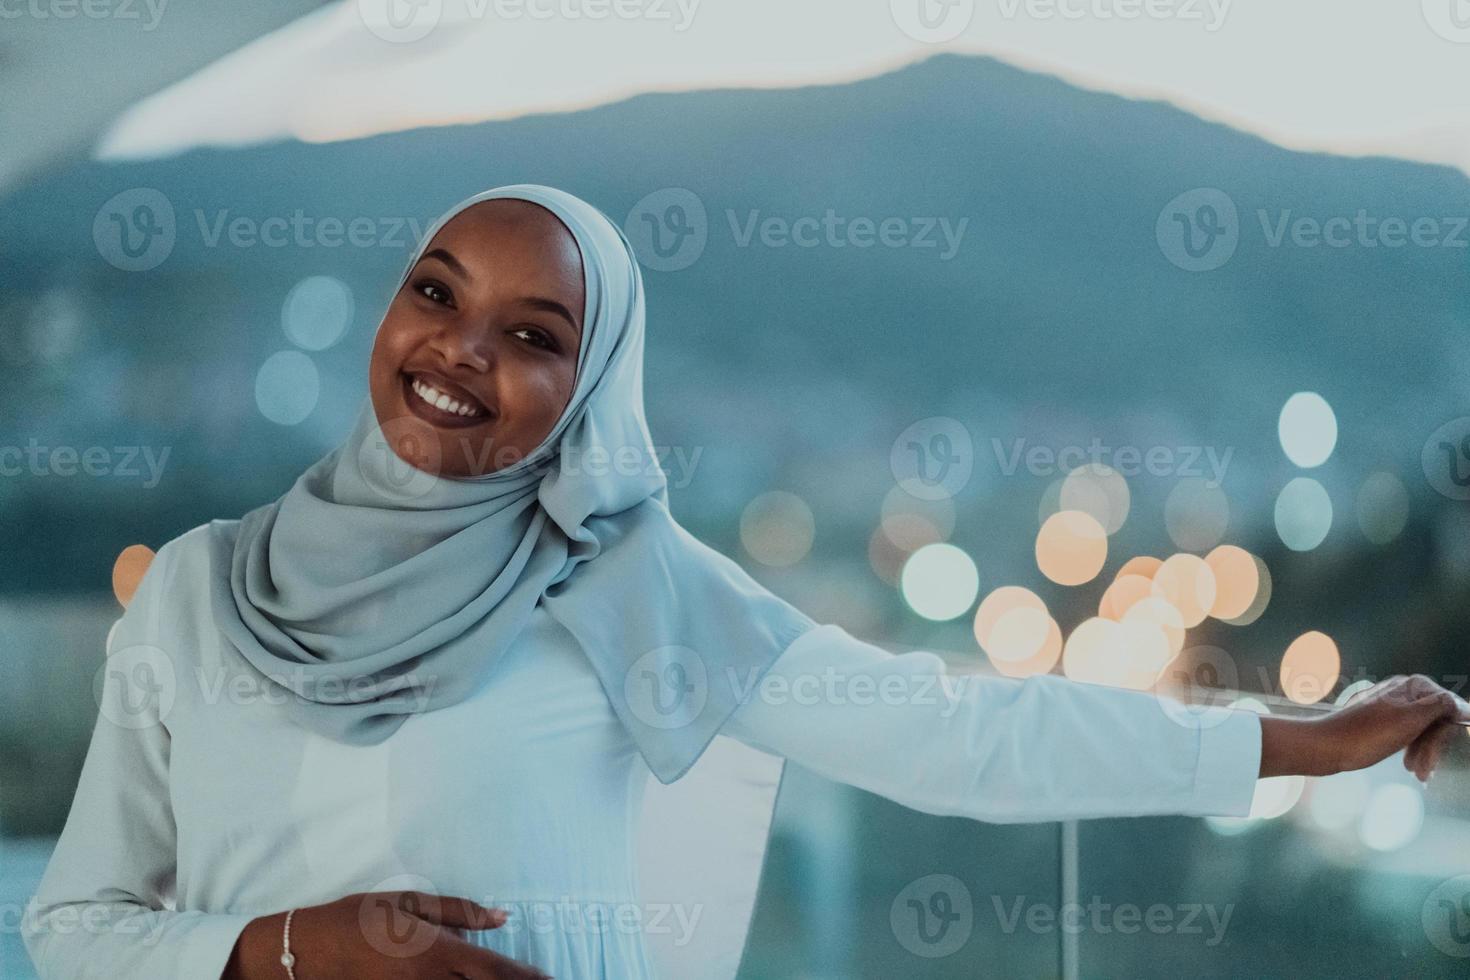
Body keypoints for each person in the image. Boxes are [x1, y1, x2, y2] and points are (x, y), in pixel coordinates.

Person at [23, 185, 1469, 980]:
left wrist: (1292, 737)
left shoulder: (622, 585)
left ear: (587, 394)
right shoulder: (201, 595)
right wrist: (293, 956)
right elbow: (75, 934)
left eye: (535, 334)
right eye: (436, 290)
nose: (463, 350)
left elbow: (949, 732)